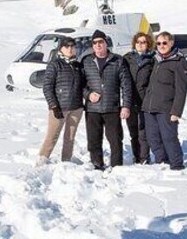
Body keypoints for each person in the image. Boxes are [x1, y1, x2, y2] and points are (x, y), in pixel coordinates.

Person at [81, 29, 133, 170]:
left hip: (112, 107)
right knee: (93, 140)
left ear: (106, 43)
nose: (98, 45)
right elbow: (80, 85)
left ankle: (117, 167)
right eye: (95, 43)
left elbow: (126, 85)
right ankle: (97, 165)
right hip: (93, 109)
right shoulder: (86, 61)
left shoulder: (117, 60)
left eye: (100, 42)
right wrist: (88, 95)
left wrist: (126, 106)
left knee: (115, 140)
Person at [141, 31, 187, 170]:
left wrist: (176, 111)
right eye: (159, 43)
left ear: (171, 43)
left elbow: (181, 90)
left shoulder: (179, 62)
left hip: (166, 108)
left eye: (164, 43)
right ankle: (162, 161)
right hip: (150, 107)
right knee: (153, 138)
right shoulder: (156, 59)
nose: (161, 46)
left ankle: (176, 164)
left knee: (169, 137)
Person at [38, 37, 85, 164]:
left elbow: (84, 86)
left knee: (70, 137)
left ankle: (66, 161)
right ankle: (42, 160)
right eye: (66, 46)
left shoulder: (78, 65)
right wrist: (53, 106)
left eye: (72, 46)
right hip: (59, 108)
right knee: (52, 136)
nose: (70, 49)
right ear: (61, 49)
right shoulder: (55, 64)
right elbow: (47, 87)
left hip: (76, 107)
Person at [123, 32, 155, 164]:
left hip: (145, 100)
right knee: (133, 132)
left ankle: (144, 158)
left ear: (148, 44)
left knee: (144, 132)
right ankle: (137, 157)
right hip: (130, 100)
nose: (140, 45)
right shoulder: (127, 58)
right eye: (138, 42)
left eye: (143, 42)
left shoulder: (152, 60)